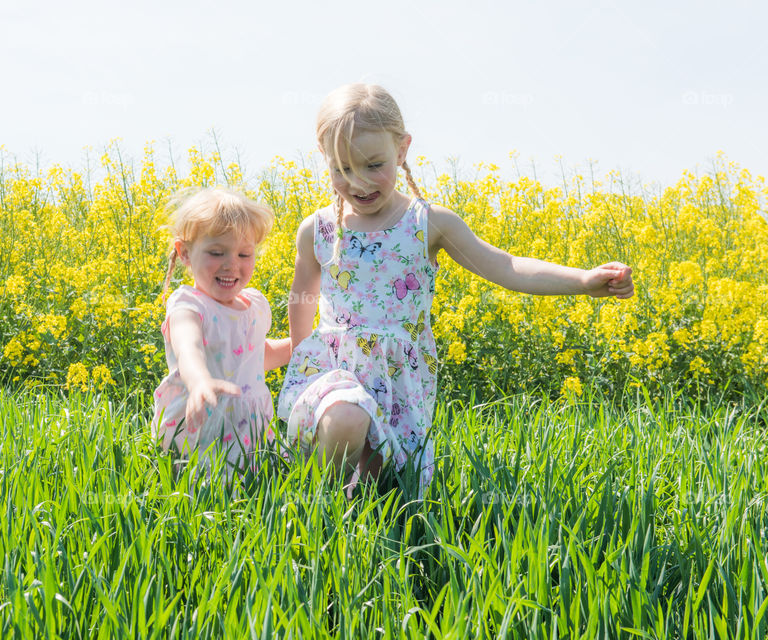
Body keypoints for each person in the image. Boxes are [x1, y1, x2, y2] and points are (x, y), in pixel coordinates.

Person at [278, 83, 635, 496]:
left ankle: (353, 516)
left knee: (384, 489)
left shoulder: (427, 223)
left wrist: (582, 280)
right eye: (341, 170)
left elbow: (506, 266)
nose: (358, 183)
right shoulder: (318, 229)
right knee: (346, 419)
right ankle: (313, 508)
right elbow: (302, 298)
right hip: (333, 371)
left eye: (373, 164)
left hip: (399, 380)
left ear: (402, 149)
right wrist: (301, 366)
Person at [153, 187, 292, 477]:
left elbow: (256, 356)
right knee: (204, 494)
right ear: (185, 253)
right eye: (217, 252)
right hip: (202, 423)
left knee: (257, 494)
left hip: (248, 429)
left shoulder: (253, 305)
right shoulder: (188, 305)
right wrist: (200, 382)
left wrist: (304, 345)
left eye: (244, 253)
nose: (231, 264)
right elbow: (188, 347)